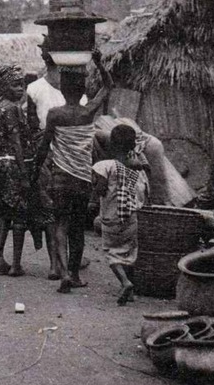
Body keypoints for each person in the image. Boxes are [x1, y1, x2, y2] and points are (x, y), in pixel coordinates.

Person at [34, 51, 113, 293]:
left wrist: (34, 172)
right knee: (78, 228)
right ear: (81, 91)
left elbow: (44, 146)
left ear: (62, 89)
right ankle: (75, 274)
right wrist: (99, 62)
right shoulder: (88, 112)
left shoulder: (55, 115)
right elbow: (108, 86)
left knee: (60, 224)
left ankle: (64, 273)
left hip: (59, 179)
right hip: (82, 180)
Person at [0, 64, 35, 277]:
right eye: (15, 85)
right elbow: (16, 142)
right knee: (20, 215)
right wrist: (23, 173)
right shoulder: (12, 109)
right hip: (12, 166)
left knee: (3, 215)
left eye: (22, 85)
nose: (20, 89)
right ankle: (15, 263)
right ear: (4, 87)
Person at [92, 125, 150, 306]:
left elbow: (100, 189)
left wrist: (93, 192)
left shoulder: (104, 166)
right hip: (131, 215)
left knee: (112, 252)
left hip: (111, 216)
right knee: (129, 250)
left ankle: (125, 283)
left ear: (110, 144)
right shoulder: (135, 167)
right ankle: (130, 291)